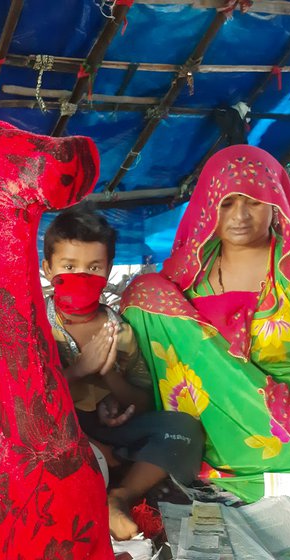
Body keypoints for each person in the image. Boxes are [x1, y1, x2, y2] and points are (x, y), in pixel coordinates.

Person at [121, 144, 290, 544]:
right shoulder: (185, 278)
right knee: (145, 294)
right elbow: (156, 357)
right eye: (228, 203)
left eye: (254, 201)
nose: (241, 216)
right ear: (210, 204)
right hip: (209, 436)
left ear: (276, 203)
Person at [41, 206, 204, 540]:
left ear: (108, 271)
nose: (81, 277)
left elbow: (141, 401)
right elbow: (22, 394)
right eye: (68, 267)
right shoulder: (35, 322)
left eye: (93, 268)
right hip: (51, 427)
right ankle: (106, 460)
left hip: (105, 428)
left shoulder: (120, 329)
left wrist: (109, 376)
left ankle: (121, 495)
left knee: (184, 430)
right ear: (47, 268)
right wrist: (78, 371)